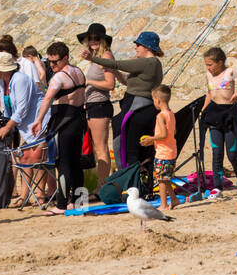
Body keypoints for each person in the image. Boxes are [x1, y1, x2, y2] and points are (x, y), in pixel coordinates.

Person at [0, 50, 46, 210]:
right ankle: (24, 196)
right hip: (22, 126)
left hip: (37, 121)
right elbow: (6, 107)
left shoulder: (20, 80)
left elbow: (22, 108)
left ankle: (41, 194)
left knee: (38, 158)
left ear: (3, 69)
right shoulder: (3, 82)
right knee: (23, 158)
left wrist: (7, 127)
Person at [30, 42, 86, 213]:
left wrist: (38, 120)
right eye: (50, 62)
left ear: (66, 58)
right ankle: (78, 201)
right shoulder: (79, 72)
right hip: (78, 120)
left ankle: (61, 205)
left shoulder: (59, 77)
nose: (52, 65)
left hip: (64, 122)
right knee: (76, 162)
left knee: (63, 163)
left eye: (56, 62)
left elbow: (47, 99)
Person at [201, 47, 237, 197]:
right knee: (217, 152)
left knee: (233, 153)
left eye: (210, 64)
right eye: (206, 65)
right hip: (214, 113)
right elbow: (210, 93)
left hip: (229, 113)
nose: (208, 68)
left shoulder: (230, 72)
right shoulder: (208, 74)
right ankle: (218, 187)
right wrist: (203, 110)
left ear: (220, 62)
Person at [89, 30, 164, 121]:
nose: (135, 48)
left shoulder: (147, 62)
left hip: (137, 105)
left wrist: (92, 58)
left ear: (147, 47)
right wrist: (115, 72)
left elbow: (117, 64)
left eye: (138, 45)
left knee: (121, 127)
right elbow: (127, 81)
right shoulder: (154, 63)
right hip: (140, 104)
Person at [77, 23, 115, 187]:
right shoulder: (97, 58)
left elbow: (110, 84)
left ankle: (102, 186)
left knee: (101, 149)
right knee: (94, 148)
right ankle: (98, 185)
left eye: (96, 38)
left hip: (100, 105)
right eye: (90, 38)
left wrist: (89, 82)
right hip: (93, 105)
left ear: (103, 40)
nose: (92, 41)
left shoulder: (105, 57)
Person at [140, 85, 178, 213]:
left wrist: (151, 139)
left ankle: (163, 204)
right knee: (165, 177)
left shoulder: (160, 116)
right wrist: (153, 141)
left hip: (163, 153)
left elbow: (163, 134)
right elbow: (171, 133)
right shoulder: (171, 114)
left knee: (161, 179)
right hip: (171, 150)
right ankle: (173, 199)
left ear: (157, 100)